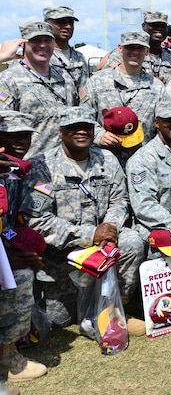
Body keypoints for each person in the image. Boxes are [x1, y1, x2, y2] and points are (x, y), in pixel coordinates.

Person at [19, 107, 146, 331]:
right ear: (60, 132)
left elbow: (119, 200)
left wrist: (110, 228)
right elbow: (38, 221)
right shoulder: (42, 166)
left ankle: (116, 308)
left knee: (133, 242)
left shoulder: (106, 159)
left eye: (86, 127)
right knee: (59, 321)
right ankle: (87, 305)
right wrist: (90, 235)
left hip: (105, 247)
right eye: (73, 128)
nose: (81, 132)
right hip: (63, 257)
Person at [0, 111, 48, 384]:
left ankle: (7, 354)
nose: (21, 140)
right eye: (13, 134)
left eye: (26, 134)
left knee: (21, 274)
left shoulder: (15, 172)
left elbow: (5, 224)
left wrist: (11, 245)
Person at [126, 101, 171, 256]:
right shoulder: (142, 159)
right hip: (152, 229)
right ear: (157, 123)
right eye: (168, 120)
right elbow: (144, 206)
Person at [80, 30, 164, 159]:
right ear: (120, 48)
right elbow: (83, 116)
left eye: (140, 48)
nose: (135, 52)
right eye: (130, 47)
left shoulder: (156, 87)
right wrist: (99, 134)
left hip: (142, 160)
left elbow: (162, 124)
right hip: (104, 159)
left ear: (147, 51)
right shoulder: (98, 81)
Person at [0, 21, 78, 158]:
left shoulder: (65, 77)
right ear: (22, 44)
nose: (42, 45)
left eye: (47, 40)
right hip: (30, 166)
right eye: (35, 41)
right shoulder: (8, 79)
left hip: (65, 165)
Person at [100, 11, 171, 83]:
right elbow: (105, 78)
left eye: (163, 26)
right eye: (154, 25)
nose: (159, 29)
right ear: (143, 26)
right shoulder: (124, 53)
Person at [44, 5, 90, 89]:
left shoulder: (79, 57)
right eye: (61, 22)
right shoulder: (40, 57)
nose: (68, 26)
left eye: (71, 23)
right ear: (47, 24)